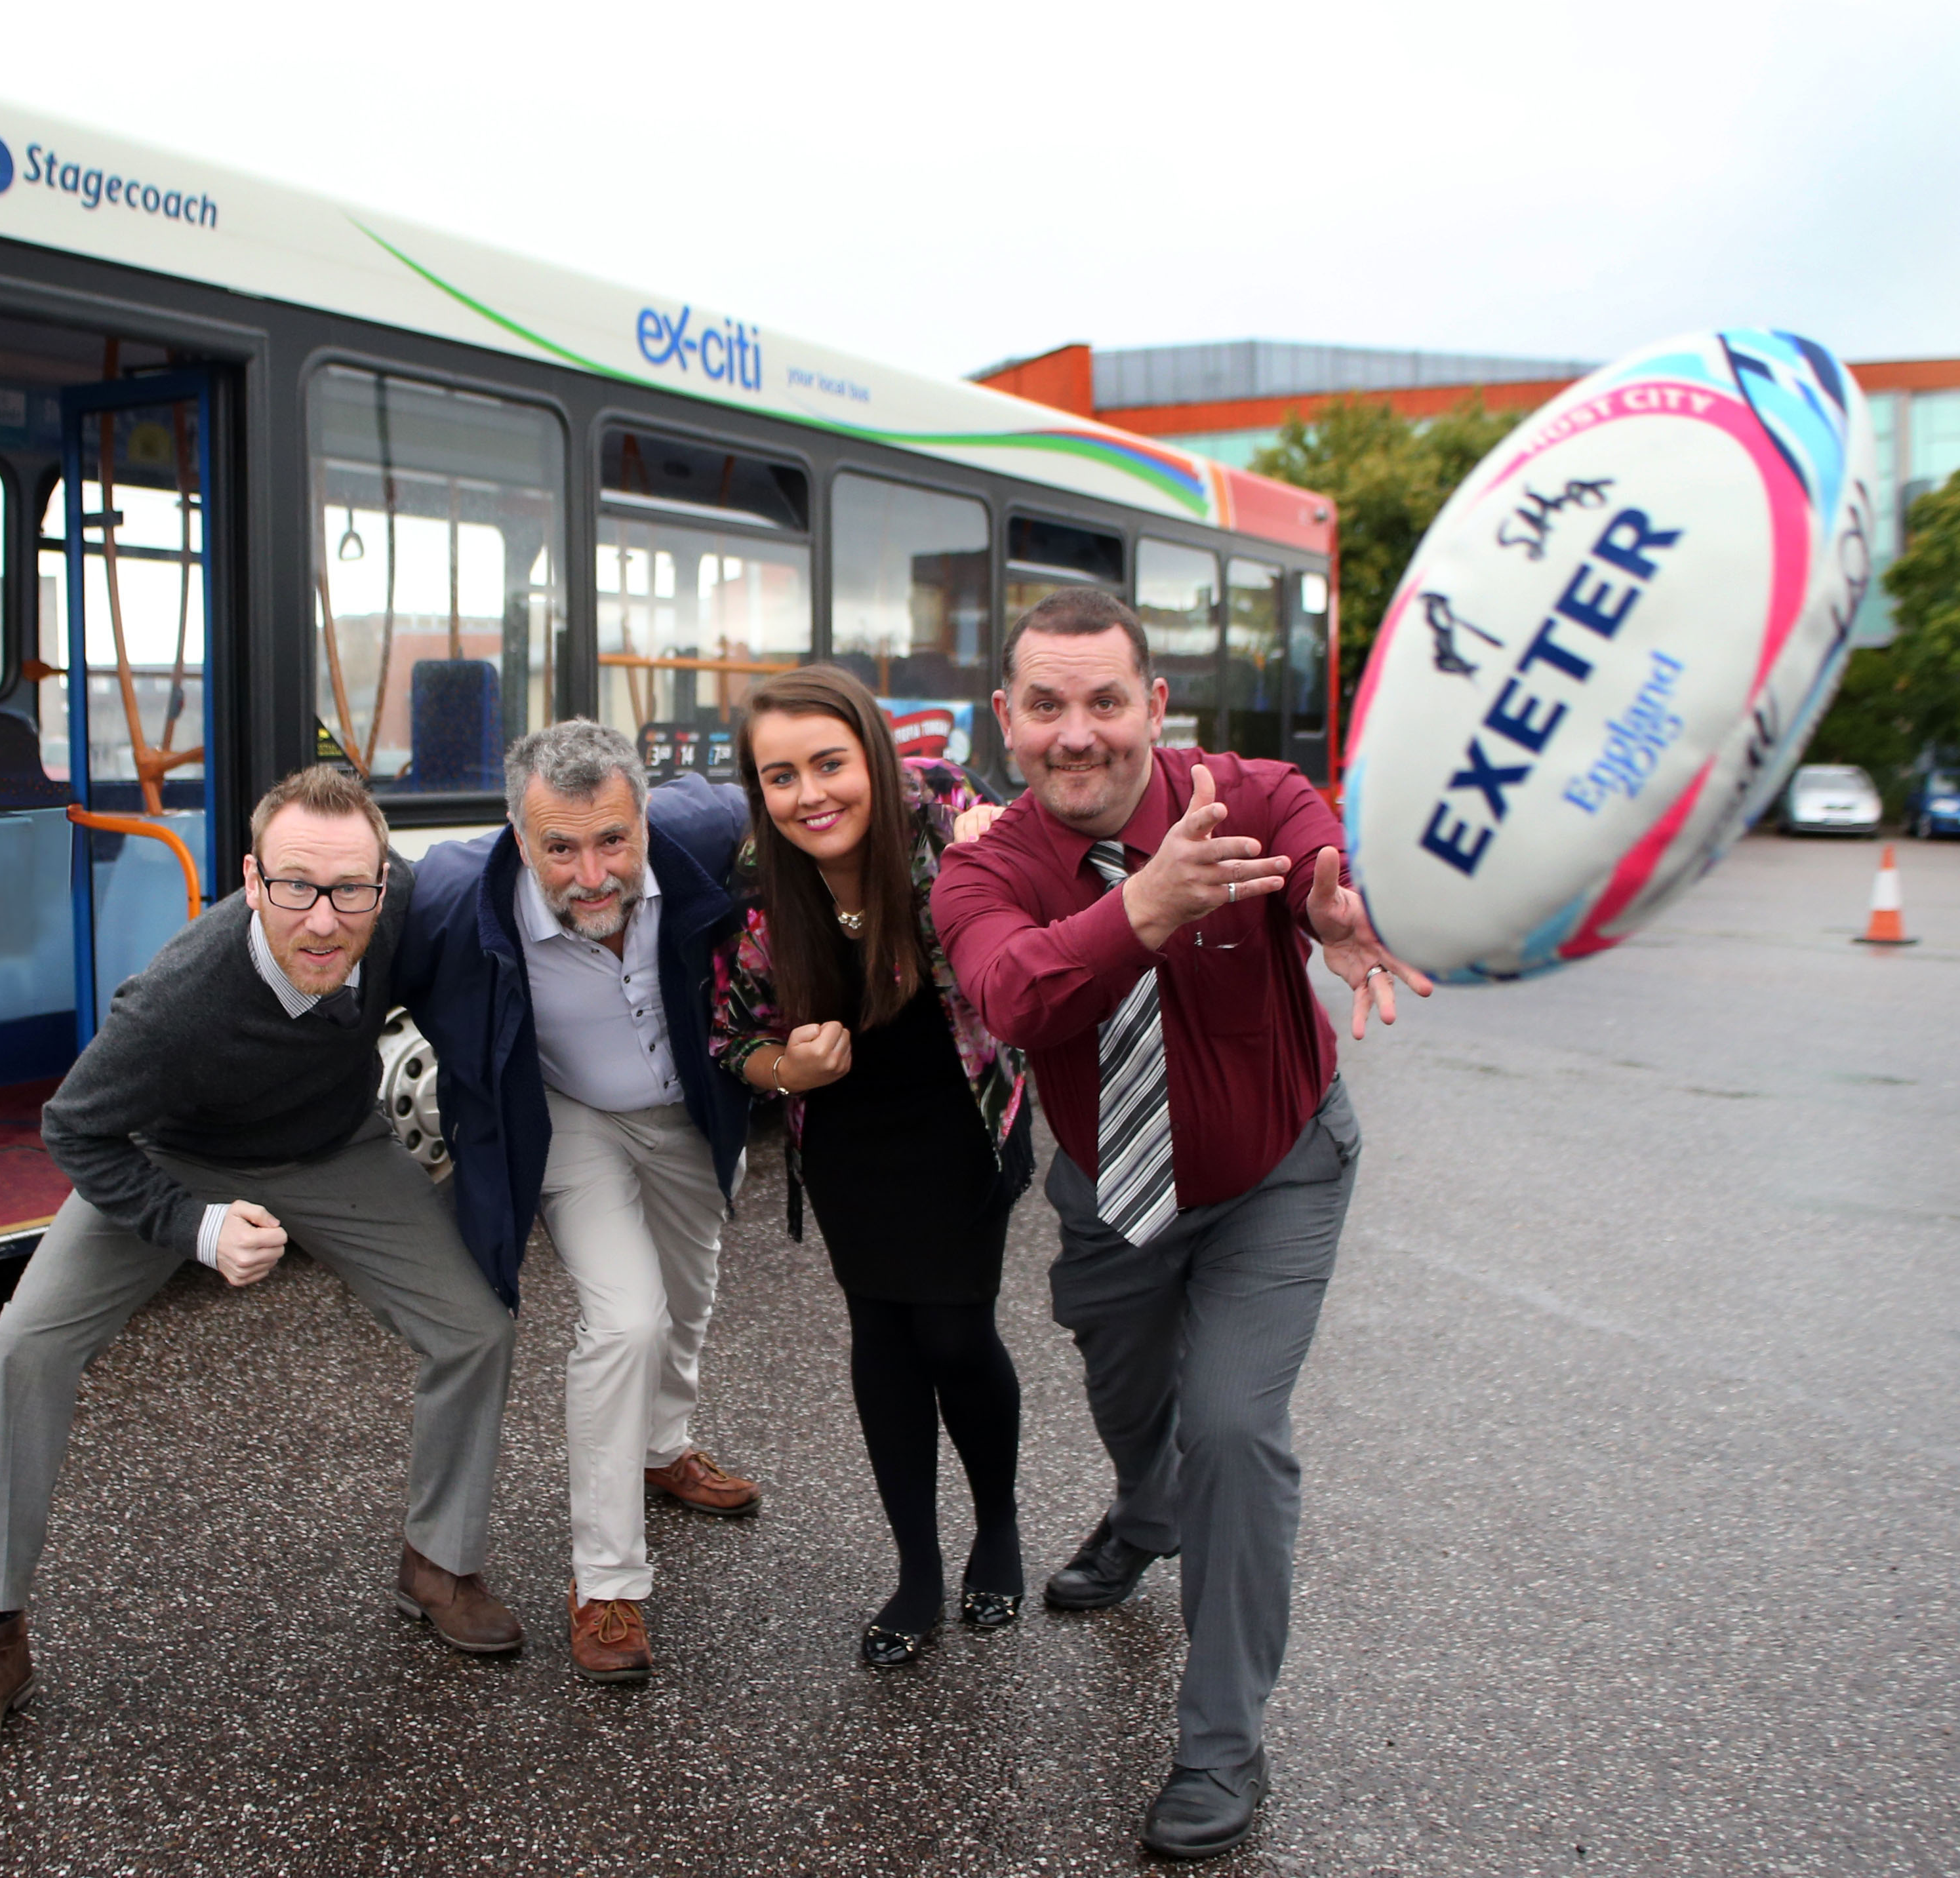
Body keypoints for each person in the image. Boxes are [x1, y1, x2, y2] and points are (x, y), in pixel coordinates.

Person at [931, 587, 1430, 1860]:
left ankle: (1220, 1745)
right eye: (1046, 705)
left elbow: (1320, 849)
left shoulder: (1242, 799)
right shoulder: (988, 867)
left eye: (1106, 700)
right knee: (1122, 1391)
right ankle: (1139, 1510)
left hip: (1279, 1173)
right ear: (1007, 717)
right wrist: (1145, 903)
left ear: (1154, 705)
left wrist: (1334, 904)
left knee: (1229, 1426)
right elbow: (1005, 991)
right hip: (1115, 1200)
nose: (1077, 732)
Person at [0, 767, 523, 1767]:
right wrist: (194, 1228)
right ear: (248, 878)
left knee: (476, 1330)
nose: (324, 921)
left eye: (350, 890)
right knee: (25, 1346)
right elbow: (73, 1132)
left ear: (381, 878)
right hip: (175, 1152)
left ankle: (438, 1563)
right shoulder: (180, 999)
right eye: (293, 889)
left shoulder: (398, 902)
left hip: (333, 1144)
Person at [393, 721, 756, 1686]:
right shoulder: (448, 893)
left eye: (612, 840)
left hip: (688, 1108)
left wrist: (959, 821)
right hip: (572, 1117)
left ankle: (663, 1448)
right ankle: (607, 1584)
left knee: (690, 1291)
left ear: (643, 816)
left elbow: (829, 813)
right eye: (560, 847)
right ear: (518, 836)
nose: (592, 874)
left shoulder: (710, 825)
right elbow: (336, 944)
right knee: (627, 1320)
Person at [704, 666, 1037, 1668]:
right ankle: (917, 1572)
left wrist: (1001, 847)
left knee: (953, 1329)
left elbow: (1047, 866)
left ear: (874, 759)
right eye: (781, 775)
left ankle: (999, 1527)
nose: (811, 794)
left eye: (830, 763)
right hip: (848, 1139)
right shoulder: (760, 887)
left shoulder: (949, 820)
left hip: (965, 1117)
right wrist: (784, 1068)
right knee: (884, 1336)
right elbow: (732, 1039)